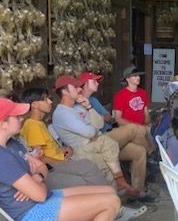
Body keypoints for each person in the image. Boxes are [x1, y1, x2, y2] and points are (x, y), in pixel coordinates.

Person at [51, 75, 156, 203]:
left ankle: (135, 193)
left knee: (139, 151)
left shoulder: (79, 106)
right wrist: (94, 130)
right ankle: (152, 157)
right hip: (85, 149)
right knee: (132, 129)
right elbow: (90, 132)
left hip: (100, 141)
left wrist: (89, 107)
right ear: (65, 92)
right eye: (75, 87)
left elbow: (99, 124)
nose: (79, 89)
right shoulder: (62, 113)